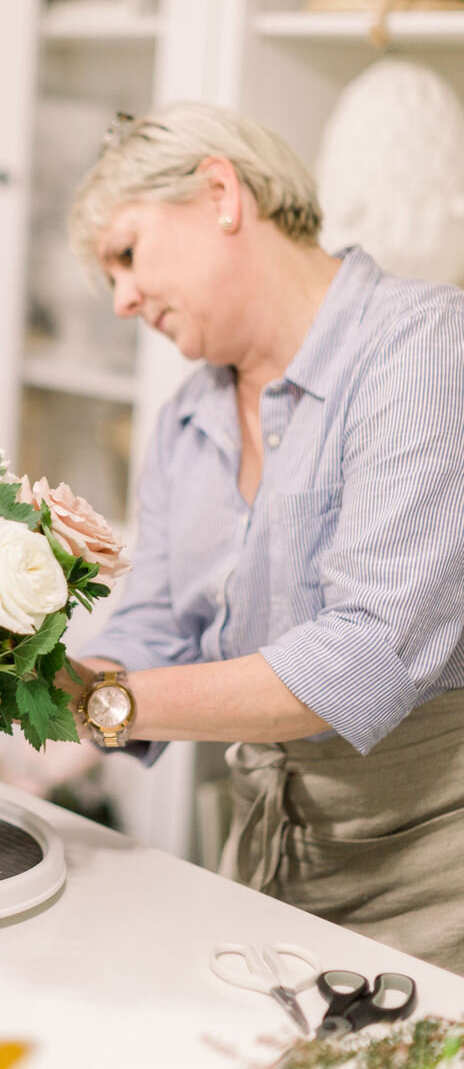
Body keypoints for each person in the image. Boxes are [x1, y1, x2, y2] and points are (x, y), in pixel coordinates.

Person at [65, 102, 464, 974]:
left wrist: (106, 701)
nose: (123, 300)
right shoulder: (186, 421)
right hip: (274, 857)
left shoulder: (423, 344)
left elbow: (364, 652)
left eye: (126, 254)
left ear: (220, 193)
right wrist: (32, 680)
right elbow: (155, 625)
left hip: (435, 872)